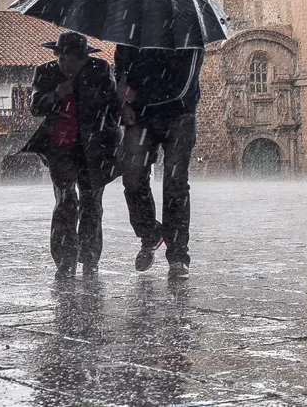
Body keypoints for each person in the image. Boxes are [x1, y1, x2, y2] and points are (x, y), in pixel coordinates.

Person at [21, 31, 121, 279]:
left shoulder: (100, 70)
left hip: (94, 147)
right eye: (62, 58)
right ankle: (65, 260)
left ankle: (90, 260)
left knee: (91, 204)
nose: (67, 64)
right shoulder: (45, 72)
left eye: (73, 59)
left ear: (84, 58)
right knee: (65, 202)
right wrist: (57, 94)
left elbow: (112, 107)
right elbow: (36, 107)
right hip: (59, 147)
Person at [115, 43, 203, 278]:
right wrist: (124, 98)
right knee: (132, 178)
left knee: (175, 183)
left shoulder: (189, 33)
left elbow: (183, 85)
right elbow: (121, 68)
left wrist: (139, 95)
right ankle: (151, 233)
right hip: (140, 116)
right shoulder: (132, 31)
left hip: (180, 115)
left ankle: (177, 255)